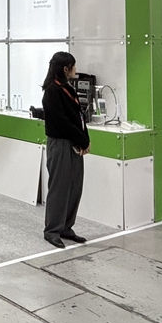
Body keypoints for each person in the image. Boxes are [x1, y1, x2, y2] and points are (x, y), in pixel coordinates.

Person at [41, 51, 90, 249]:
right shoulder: (52, 91)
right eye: (73, 66)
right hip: (60, 144)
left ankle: (66, 227)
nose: (76, 69)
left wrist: (85, 140)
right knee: (59, 188)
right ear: (65, 68)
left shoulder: (68, 88)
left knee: (74, 187)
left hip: (74, 143)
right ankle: (52, 230)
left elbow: (78, 117)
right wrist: (81, 140)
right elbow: (62, 122)